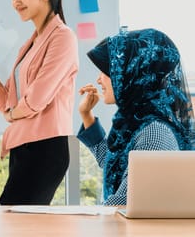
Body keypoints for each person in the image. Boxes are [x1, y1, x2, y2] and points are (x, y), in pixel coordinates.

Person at [0, 0, 79, 205]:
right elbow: (2, 99)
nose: (15, 2)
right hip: (23, 146)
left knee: (14, 221)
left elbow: (36, 100)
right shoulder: (29, 45)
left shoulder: (63, 37)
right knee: (18, 224)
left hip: (45, 148)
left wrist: (11, 116)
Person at [77, 28, 194, 205]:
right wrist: (86, 115)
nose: (99, 79)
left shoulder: (154, 133)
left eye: (107, 71)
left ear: (131, 74)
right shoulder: (137, 121)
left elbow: (123, 204)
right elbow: (112, 164)